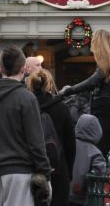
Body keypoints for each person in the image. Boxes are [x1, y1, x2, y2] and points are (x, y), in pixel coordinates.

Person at [0, 45, 52, 206]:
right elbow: (35, 141)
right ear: (24, 68)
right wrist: (44, 172)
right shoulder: (26, 98)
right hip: (20, 172)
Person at [59, 30, 110, 155]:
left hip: (105, 116)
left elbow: (93, 81)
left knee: (97, 155)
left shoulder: (107, 61)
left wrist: (69, 90)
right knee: (100, 155)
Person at [27, 69, 75, 206]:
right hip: (58, 168)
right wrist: (69, 172)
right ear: (50, 85)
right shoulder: (61, 108)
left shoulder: (26, 106)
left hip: (32, 169)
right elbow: (70, 143)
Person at [68, 114, 106, 205]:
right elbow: (98, 172)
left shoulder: (68, 144)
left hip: (64, 191)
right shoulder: (95, 152)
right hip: (81, 195)